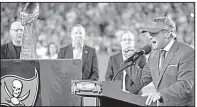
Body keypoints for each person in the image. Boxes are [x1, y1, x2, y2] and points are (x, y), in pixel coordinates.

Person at [129, 16, 194, 106]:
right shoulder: (154, 55)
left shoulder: (187, 51)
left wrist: (161, 94)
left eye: (154, 33)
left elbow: (185, 84)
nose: (150, 37)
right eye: (149, 34)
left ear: (167, 34)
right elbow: (141, 81)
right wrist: (130, 61)